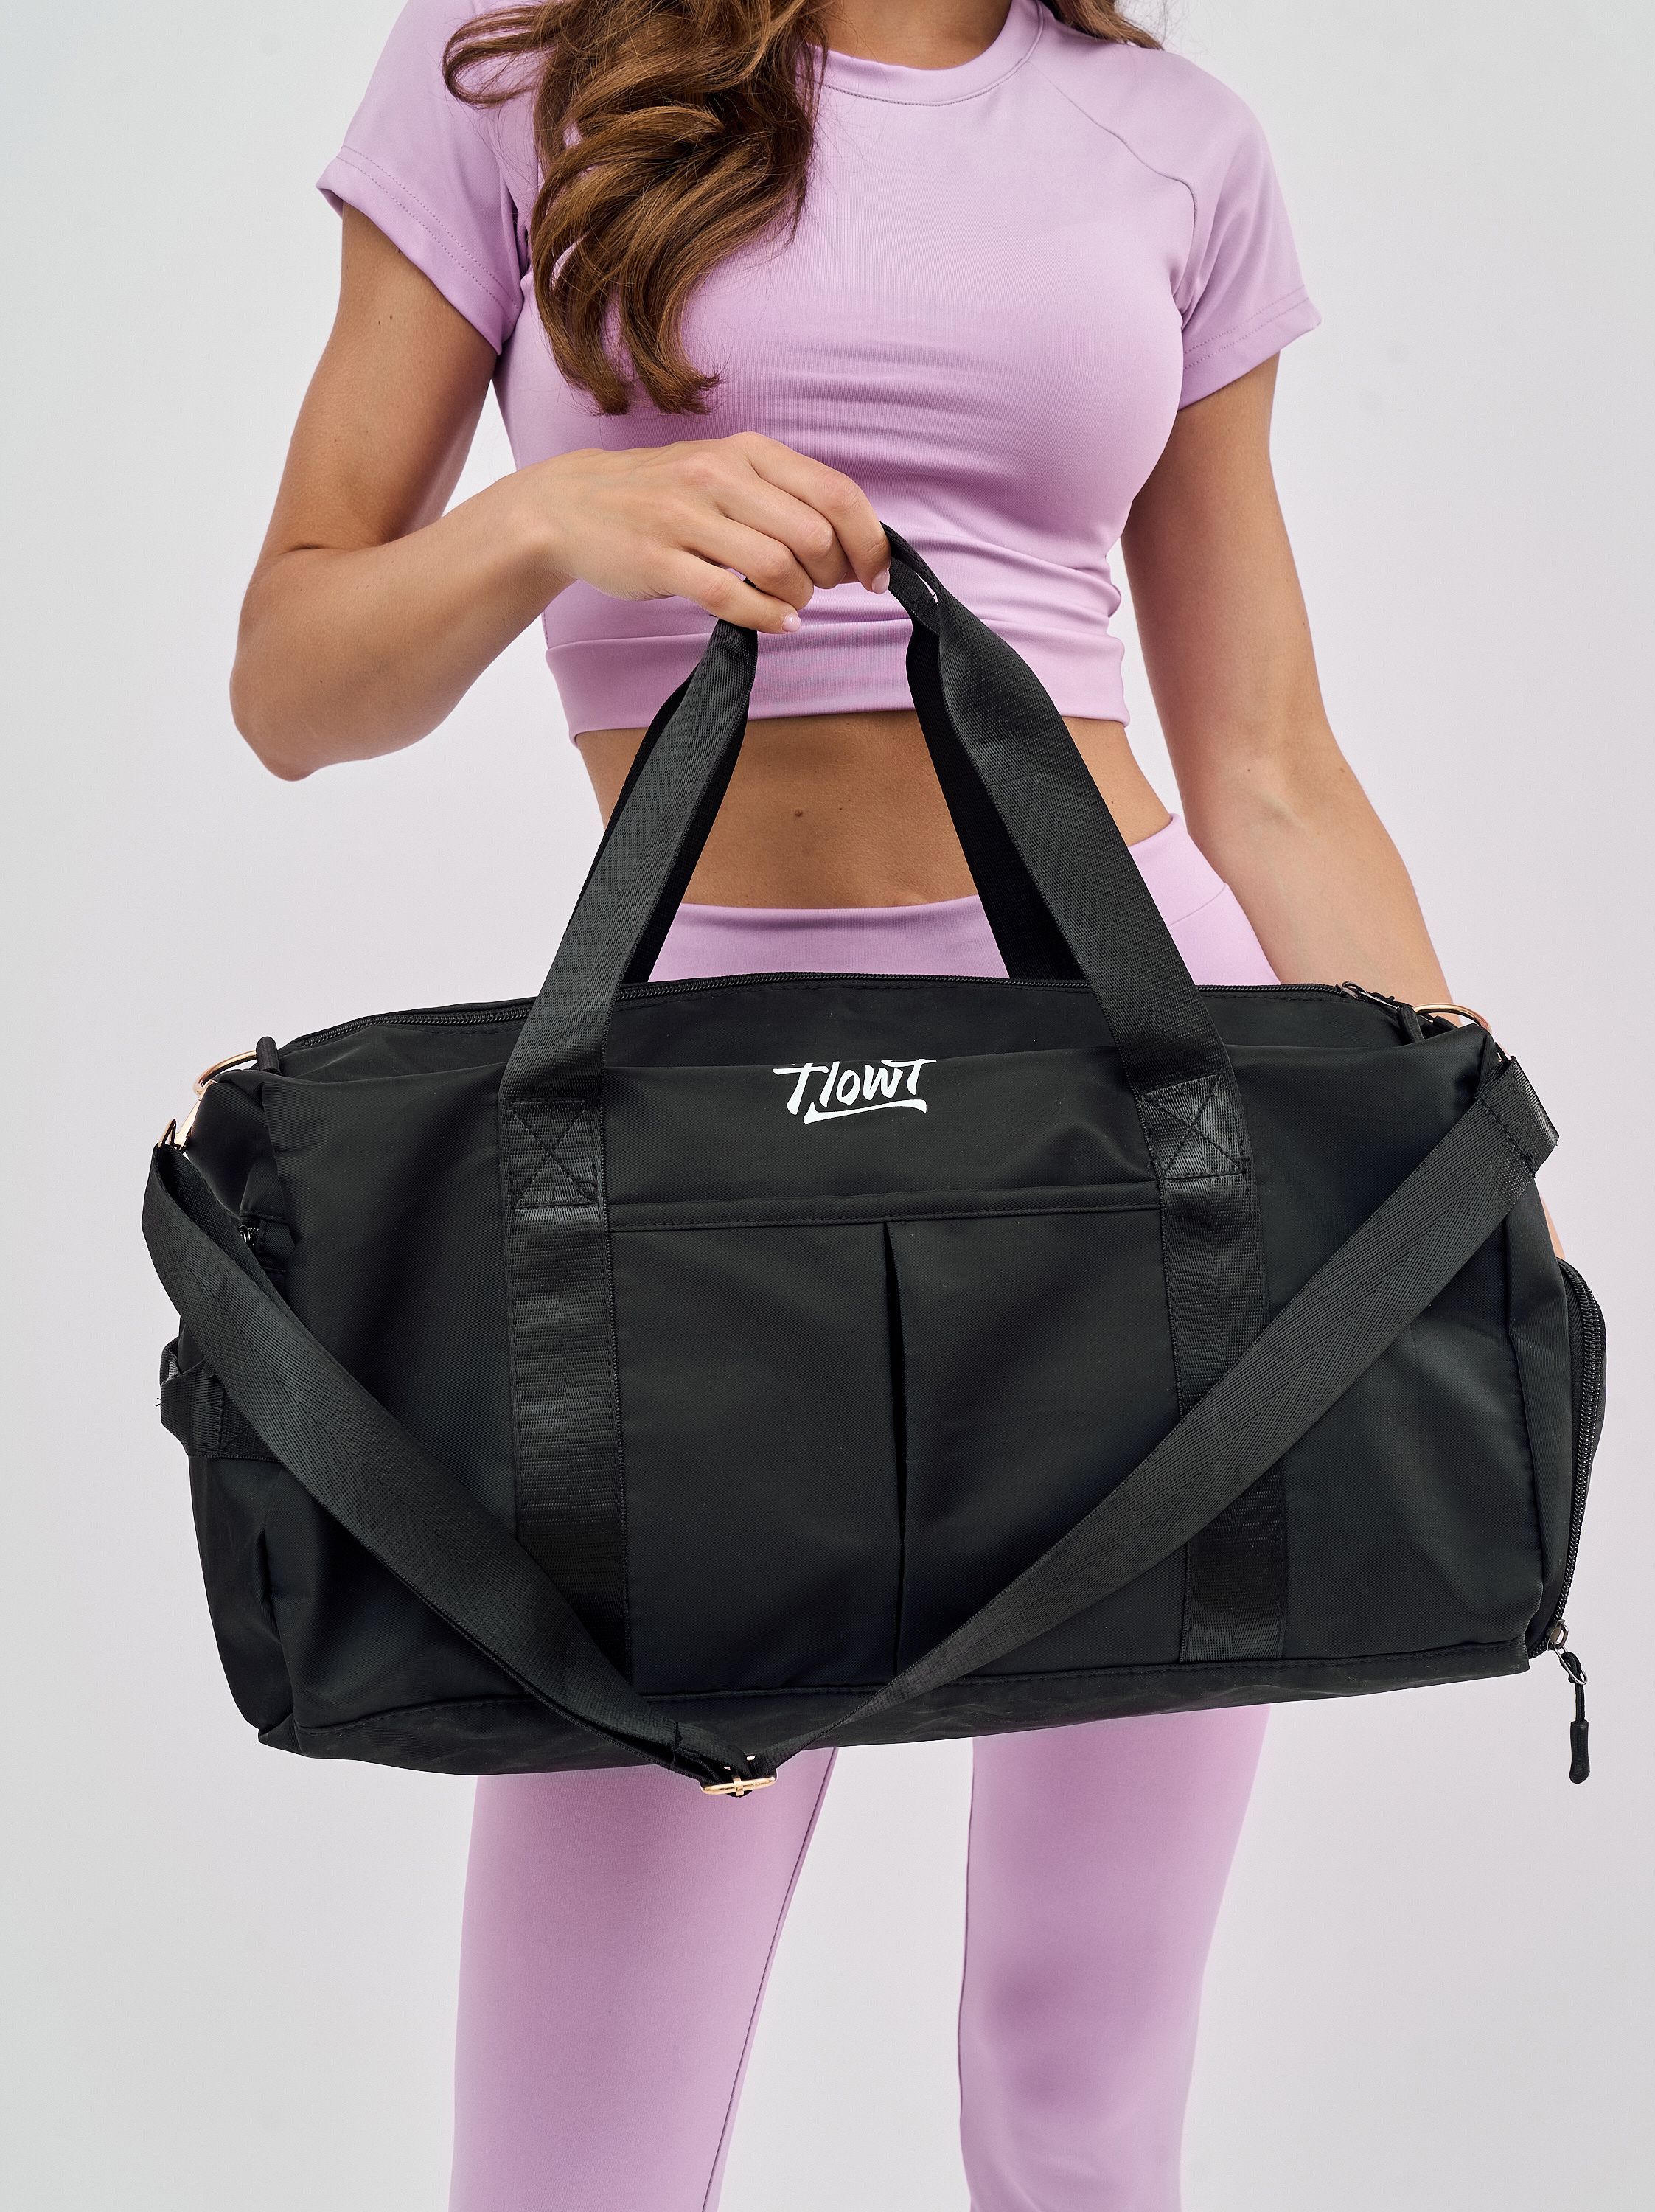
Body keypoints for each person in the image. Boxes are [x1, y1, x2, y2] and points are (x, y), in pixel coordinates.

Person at [230, 4, 1465, 2205]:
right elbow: (292, 686)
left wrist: (1453, 1166)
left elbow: (1266, 763)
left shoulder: (1173, 139)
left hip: (1135, 1110)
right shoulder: (516, 65)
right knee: (574, 2143)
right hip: (684, 1149)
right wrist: (547, 521)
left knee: (1084, 2079)